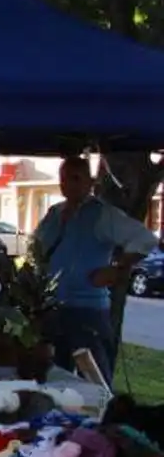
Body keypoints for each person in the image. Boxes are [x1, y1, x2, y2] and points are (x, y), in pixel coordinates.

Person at [33, 155, 158, 383]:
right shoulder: (53, 214)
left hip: (87, 312)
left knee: (95, 382)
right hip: (51, 312)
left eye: (75, 178)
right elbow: (36, 248)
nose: (68, 184)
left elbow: (145, 239)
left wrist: (117, 269)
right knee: (52, 380)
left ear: (90, 183)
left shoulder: (102, 214)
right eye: (63, 178)